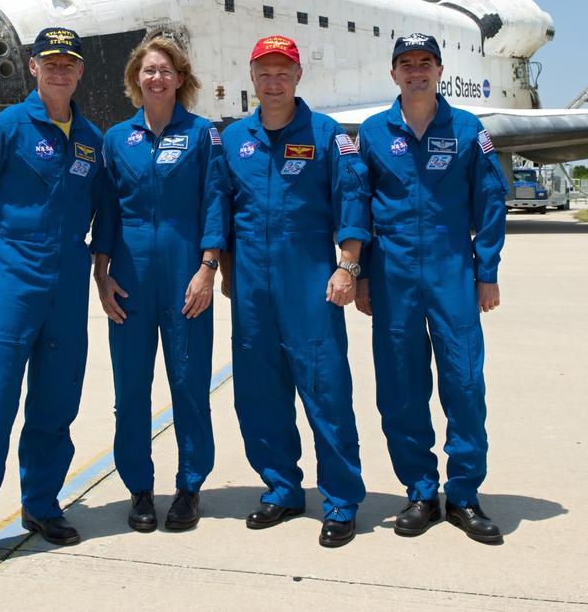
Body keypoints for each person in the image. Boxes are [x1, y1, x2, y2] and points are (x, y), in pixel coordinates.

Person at [0, 27, 107, 579]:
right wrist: (4, 248)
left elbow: (101, 209)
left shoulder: (90, 138)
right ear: (33, 67)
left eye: (69, 62)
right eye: (50, 61)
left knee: (55, 406)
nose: (60, 70)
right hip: (15, 279)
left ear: (80, 71)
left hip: (68, 279)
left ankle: (41, 505)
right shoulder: (5, 129)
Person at [215, 35, 371, 548]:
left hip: (309, 278)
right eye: (264, 72)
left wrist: (347, 265)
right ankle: (282, 488)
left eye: (283, 72)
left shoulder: (326, 135)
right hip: (252, 285)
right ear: (252, 78)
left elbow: (352, 202)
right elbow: (223, 210)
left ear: (299, 76)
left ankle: (341, 500)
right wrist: (224, 268)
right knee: (259, 392)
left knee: (325, 388)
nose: (273, 81)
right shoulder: (235, 139)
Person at [355, 33, 508, 545]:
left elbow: (489, 203)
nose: (415, 71)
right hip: (394, 273)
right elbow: (359, 208)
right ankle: (420, 490)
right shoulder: (374, 133)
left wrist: (486, 272)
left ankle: (463, 494)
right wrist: (364, 276)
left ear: (439, 70)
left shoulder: (468, 129)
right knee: (400, 387)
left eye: (425, 62)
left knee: (464, 383)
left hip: (451, 272)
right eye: (406, 63)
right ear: (393, 73)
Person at [91, 34, 225, 533]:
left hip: (185, 277)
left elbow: (215, 202)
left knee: (189, 384)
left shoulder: (201, 135)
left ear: (180, 78)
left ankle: (189, 487)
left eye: (166, 70)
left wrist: (208, 268)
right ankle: (140, 489)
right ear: (135, 79)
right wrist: (101, 274)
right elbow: (105, 210)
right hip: (128, 279)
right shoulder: (115, 139)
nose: (157, 78)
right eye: (148, 70)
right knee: (130, 390)